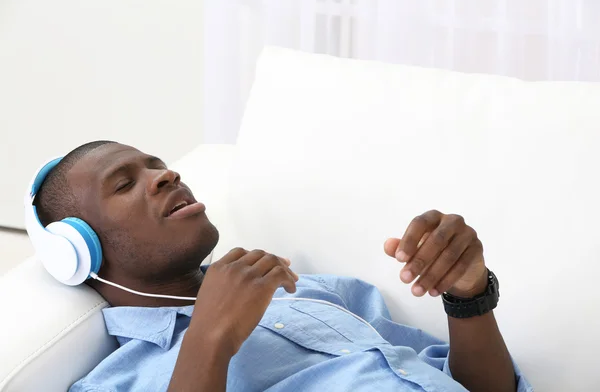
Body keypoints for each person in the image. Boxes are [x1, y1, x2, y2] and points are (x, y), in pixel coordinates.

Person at [32, 141, 531, 392]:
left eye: (156, 165)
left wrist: (468, 298)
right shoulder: (118, 381)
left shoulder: (315, 291)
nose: (167, 175)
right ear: (78, 250)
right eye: (123, 184)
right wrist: (209, 340)